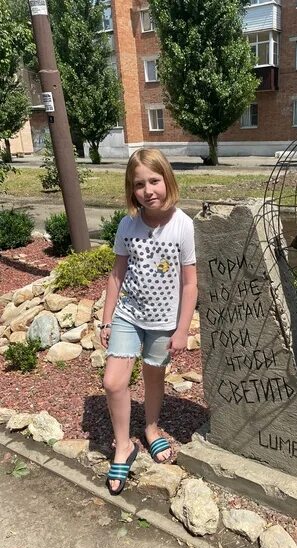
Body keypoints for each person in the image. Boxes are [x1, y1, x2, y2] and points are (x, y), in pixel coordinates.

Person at [100, 149, 197, 496]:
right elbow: (117, 274)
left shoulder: (183, 225)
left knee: (154, 376)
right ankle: (123, 445)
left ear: (167, 180)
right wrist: (106, 318)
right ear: (131, 189)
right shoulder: (128, 224)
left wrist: (183, 328)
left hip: (162, 321)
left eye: (154, 180)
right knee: (113, 382)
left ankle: (152, 429)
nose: (148, 190)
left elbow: (190, 283)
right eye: (139, 184)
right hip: (128, 315)